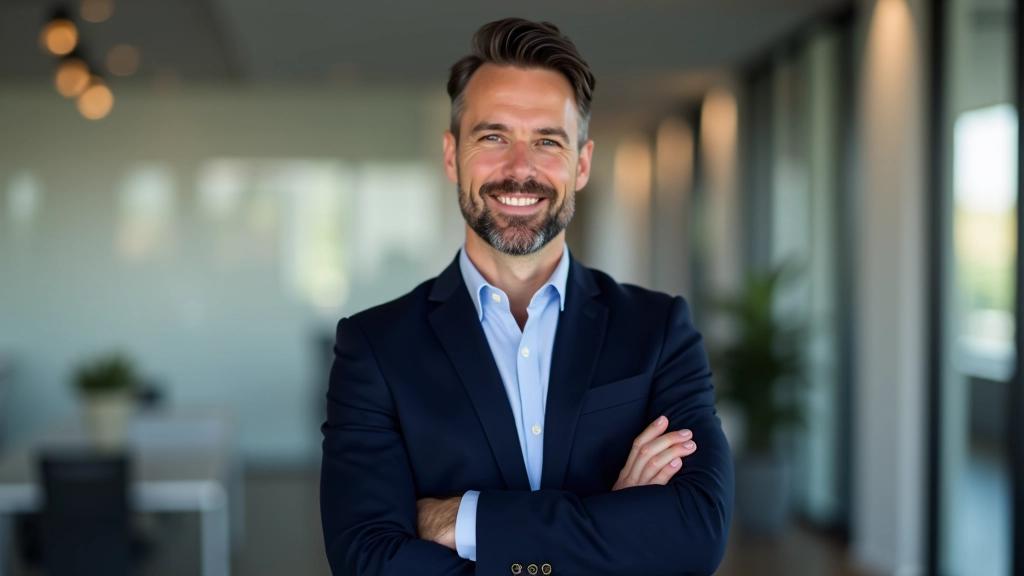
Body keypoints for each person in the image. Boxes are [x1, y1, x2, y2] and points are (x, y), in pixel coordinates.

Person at [320, 18, 733, 576]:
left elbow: (698, 532)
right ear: (452, 155)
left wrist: (467, 520)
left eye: (547, 141)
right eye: (493, 137)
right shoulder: (374, 349)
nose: (520, 169)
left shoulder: (659, 330)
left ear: (581, 163)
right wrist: (613, 524)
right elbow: (367, 560)